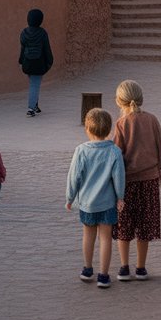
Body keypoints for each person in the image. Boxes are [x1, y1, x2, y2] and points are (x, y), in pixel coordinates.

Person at [111, 80, 161, 281]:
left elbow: (117, 155)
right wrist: (160, 170)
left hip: (127, 183)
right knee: (145, 225)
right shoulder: (152, 120)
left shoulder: (121, 124)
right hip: (149, 181)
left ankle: (124, 267)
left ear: (119, 101)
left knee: (124, 225)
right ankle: (141, 267)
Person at [66, 108, 125, 288]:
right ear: (109, 130)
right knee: (106, 238)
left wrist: (70, 197)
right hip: (107, 203)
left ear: (87, 129)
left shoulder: (81, 150)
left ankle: (87, 268)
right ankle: (104, 275)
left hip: (86, 203)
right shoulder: (114, 151)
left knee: (88, 235)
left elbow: (74, 176)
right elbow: (119, 177)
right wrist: (120, 197)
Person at [19, 8, 53, 117]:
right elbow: (46, 49)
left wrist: (21, 61)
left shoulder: (24, 32)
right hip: (39, 63)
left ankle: (35, 105)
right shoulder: (42, 33)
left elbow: (22, 48)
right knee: (35, 84)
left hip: (27, 62)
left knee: (34, 83)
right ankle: (31, 108)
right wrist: (50, 61)